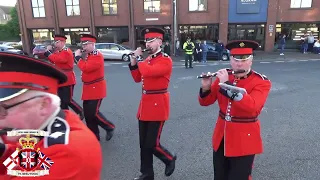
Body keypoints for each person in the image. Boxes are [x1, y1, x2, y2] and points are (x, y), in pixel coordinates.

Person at [0, 52, 102, 179]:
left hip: (87, 84)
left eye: (3, 108)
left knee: (93, 114)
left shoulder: (68, 151)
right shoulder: (39, 129)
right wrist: (3, 151)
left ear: (43, 105)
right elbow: (23, 164)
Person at [198, 40, 272, 180]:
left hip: (245, 139)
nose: (239, 64)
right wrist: (206, 87)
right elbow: (205, 102)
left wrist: (226, 84)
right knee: (219, 176)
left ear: (251, 60)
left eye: (244, 60)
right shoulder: (225, 76)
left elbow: (252, 107)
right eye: (235, 59)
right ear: (231, 60)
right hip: (222, 136)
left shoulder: (261, 82)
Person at [128, 27, 176, 180]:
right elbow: (137, 78)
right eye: (146, 41)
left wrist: (140, 59)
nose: (147, 44)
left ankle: (169, 159)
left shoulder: (165, 59)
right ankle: (147, 173)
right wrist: (133, 62)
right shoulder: (148, 60)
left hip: (158, 105)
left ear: (160, 42)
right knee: (143, 144)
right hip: (145, 105)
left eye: (151, 41)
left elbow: (148, 72)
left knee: (152, 143)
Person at [74, 34, 115, 141]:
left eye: (86, 44)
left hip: (96, 88)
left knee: (93, 113)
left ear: (92, 44)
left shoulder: (97, 55)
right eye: (83, 44)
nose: (84, 47)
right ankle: (94, 136)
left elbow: (85, 68)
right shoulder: (88, 55)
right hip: (88, 87)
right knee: (88, 115)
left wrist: (77, 57)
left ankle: (109, 127)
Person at [44, 34, 84, 120]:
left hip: (67, 78)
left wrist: (49, 54)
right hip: (60, 77)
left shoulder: (66, 51)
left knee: (67, 99)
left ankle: (80, 111)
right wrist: (49, 53)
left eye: (57, 42)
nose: (55, 43)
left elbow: (60, 59)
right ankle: (65, 117)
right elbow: (53, 60)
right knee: (62, 100)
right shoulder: (58, 51)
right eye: (55, 42)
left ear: (62, 42)